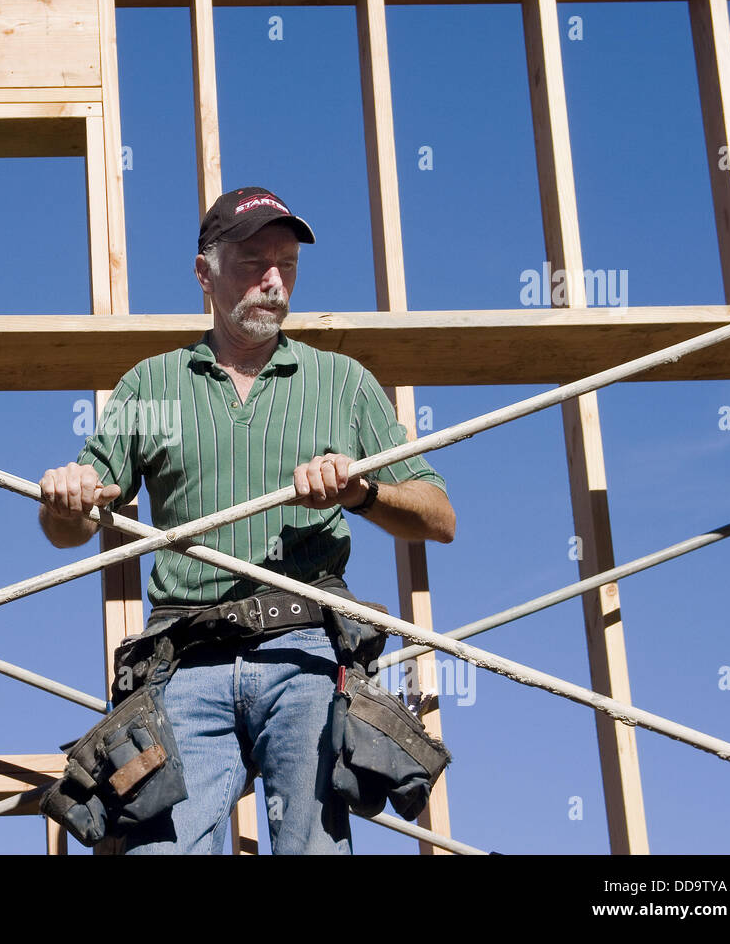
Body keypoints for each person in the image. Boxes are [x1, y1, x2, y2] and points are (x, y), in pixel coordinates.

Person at [38, 186, 456, 854]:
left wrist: (362, 492)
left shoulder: (342, 383)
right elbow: (75, 526)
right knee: (157, 850)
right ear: (203, 272)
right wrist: (64, 502)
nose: (272, 279)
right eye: (252, 260)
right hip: (186, 657)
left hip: (305, 651)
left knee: (312, 847)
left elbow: (439, 516)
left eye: (286, 263)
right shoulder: (150, 386)